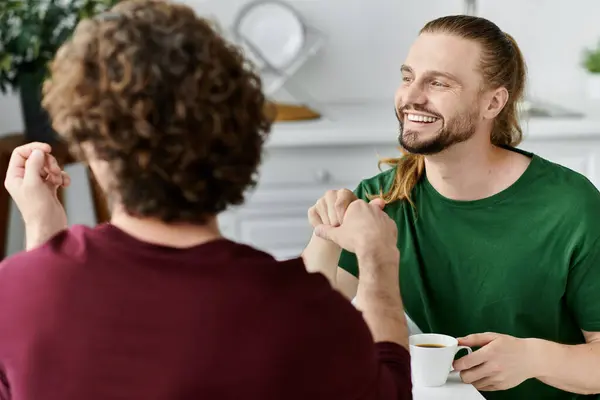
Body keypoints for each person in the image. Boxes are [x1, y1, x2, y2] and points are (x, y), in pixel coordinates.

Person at [0, 1, 413, 399]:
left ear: (92, 147)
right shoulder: (302, 309)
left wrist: (43, 233)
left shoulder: (15, 292)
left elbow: (38, 354)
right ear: (239, 141)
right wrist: (379, 262)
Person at [302, 14, 600, 400]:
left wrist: (533, 358)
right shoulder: (386, 200)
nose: (411, 96)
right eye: (408, 77)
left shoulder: (570, 206)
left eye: (438, 83)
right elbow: (300, 327)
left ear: (493, 102)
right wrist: (326, 234)